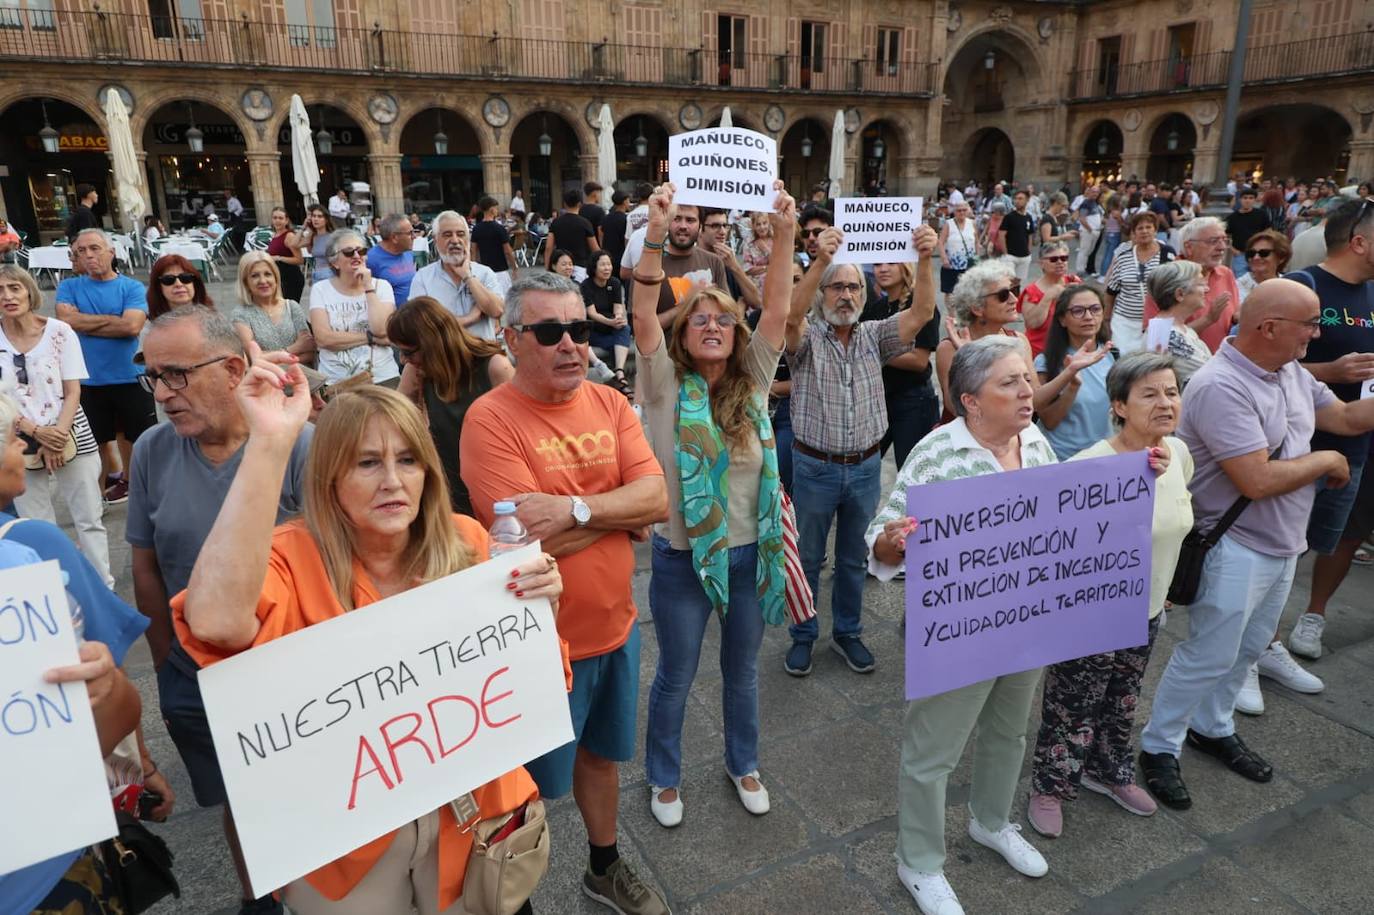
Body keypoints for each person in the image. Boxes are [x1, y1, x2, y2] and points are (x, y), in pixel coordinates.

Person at [174, 370, 560, 915]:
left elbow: (530, 686)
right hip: (349, 845)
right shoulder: (288, 559)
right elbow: (215, 621)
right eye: (367, 463)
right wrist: (269, 443)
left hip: (472, 822)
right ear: (330, 476)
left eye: (408, 460)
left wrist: (543, 611)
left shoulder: (469, 540)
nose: (393, 482)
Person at [460, 271, 671, 915]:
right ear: (511, 338)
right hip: (534, 649)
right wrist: (618, 515)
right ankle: (507, 895)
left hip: (615, 629)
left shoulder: (608, 403)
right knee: (518, 789)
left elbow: (658, 499)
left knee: (602, 760)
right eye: (549, 331)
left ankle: (604, 867)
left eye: (577, 329)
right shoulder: (490, 419)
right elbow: (522, 540)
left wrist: (577, 511)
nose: (570, 344)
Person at [1137, 279, 1374, 812]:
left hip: (1282, 542)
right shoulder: (1221, 386)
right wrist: (1327, 460)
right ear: (1269, 328)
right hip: (1234, 543)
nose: (1317, 333)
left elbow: (1343, 418)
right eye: (1310, 323)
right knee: (1209, 654)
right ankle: (1159, 745)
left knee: (1246, 651)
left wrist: (1331, 447)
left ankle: (1213, 727)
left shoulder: (1289, 371)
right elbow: (1257, 479)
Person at [130, 306, 314, 915]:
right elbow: (146, 566)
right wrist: (166, 662)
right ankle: (258, 897)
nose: (162, 394)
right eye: (152, 377)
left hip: (295, 668)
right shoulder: (151, 451)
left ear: (234, 370)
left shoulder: (298, 443)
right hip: (195, 676)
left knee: (316, 789)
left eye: (176, 375)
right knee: (241, 797)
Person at [868, 335, 1056, 915]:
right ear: (970, 401)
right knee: (934, 752)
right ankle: (919, 862)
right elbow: (881, 539)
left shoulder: (1034, 440)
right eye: (1010, 382)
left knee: (1010, 731)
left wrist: (1139, 470)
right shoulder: (936, 453)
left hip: (1025, 620)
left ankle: (991, 822)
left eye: (1026, 380)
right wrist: (894, 542)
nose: (1026, 392)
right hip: (960, 630)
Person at [632, 180, 797, 828]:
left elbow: (778, 309)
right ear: (684, 334)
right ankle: (664, 776)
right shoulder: (663, 383)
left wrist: (784, 233)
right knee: (676, 675)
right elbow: (643, 315)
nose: (710, 326)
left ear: (736, 332)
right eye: (699, 319)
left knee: (742, 672)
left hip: (749, 555)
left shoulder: (753, 381)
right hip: (683, 560)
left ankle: (743, 763)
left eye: (722, 319)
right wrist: (654, 233)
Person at [1027, 352, 1192, 837]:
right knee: (1072, 705)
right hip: (1091, 616)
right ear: (1119, 406)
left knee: (1123, 699)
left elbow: (1173, 524)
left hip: (1148, 611)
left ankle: (1107, 770)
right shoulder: (1088, 467)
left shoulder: (1178, 454)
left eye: (1172, 392)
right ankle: (1051, 785)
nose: (1165, 403)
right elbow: (1054, 546)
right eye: (1149, 394)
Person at [781, 215, 940, 677]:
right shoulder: (806, 339)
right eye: (836, 287)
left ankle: (847, 632)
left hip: (866, 468)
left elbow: (922, 313)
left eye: (853, 287)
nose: (846, 295)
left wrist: (925, 258)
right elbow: (790, 316)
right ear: (822, 295)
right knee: (808, 558)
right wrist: (821, 261)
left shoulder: (875, 335)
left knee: (854, 559)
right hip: (815, 467)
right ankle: (803, 635)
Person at [1269, 198, 1374, 666]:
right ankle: (1261, 644)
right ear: (1359, 242)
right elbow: (1254, 364)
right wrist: (1329, 370)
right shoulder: (1300, 286)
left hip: (1357, 443)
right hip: (1297, 443)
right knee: (1277, 549)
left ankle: (1310, 617)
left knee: (1339, 537)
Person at [0, 265, 110, 585]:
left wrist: (57, 435)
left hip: (70, 431)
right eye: (0, 290)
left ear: (29, 291)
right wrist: (37, 433)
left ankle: (102, 588)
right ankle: (54, 592)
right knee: (37, 525)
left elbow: (73, 389)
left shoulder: (60, 332)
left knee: (89, 519)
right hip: (18, 438)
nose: (7, 296)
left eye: (14, 288)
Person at [388, 295, 513, 515]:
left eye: (407, 352)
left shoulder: (494, 367)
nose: (403, 360)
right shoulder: (416, 371)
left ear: (432, 342)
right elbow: (393, 418)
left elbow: (520, 431)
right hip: (448, 484)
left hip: (494, 482)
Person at [55, 229, 154, 505]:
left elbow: (132, 326)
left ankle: (135, 486)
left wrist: (84, 322)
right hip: (87, 380)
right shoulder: (69, 287)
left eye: (95, 248)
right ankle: (95, 499)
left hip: (130, 376)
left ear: (111, 252)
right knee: (93, 444)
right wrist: (113, 319)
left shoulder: (132, 287)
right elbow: (66, 321)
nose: (88, 255)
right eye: (81, 251)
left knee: (138, 439)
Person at [936, 260, 1037, 420]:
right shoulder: (950, 348)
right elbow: (956, 408)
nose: (1014, 299)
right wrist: (969, 357)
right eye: (1003, 295)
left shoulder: (1019, 340)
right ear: (977, 308)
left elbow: (1035, 396)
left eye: (1015, 291)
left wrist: (1069, 374)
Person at [866, 259, 940, 468]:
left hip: (914, 401)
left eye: (891, 262)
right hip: (879, 401)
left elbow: (919, 361)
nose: (883, 268)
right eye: (877, 264)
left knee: (914, 473)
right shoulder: (876, 308)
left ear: (905, 266)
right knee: (863, 467)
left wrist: (871, 351)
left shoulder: (920, 305)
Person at [1033, 285, 1116, 460]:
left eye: (1095, 309)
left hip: (1103, 455)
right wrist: (1072, 386)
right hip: (1064, 458)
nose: (1088, 316)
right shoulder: (1047, 361)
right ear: (1062, 319)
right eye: (1078, 311)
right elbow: (1049, 421)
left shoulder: (1112, 355)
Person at [308, 229, 399, 387]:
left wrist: (368, 286)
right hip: (337, 382)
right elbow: (323, 339)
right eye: (349, 252)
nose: (357, 256)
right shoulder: (320, 289)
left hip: (382, 377)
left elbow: (382, 330)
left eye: (361, 251)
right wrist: (371, 338)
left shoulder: (382, 286)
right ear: (334, 262)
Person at [1143, 217, 1238, 354]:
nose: (1222, 247)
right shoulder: (1166, 278)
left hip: (1222, 362)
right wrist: (1208, 320)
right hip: (1182, 365)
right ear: (1189, 247)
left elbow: (1234, 315)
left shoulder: (1226, 273)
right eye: (1213, 241)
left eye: (1225, 240)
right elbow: (1157, 341)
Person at [409, 210, 506, 340]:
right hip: (442, 352)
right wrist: (471, 318)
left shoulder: (485, 273)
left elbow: (497, 311)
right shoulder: (423, 278)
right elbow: (422, 325)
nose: (455, 240)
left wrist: (467, 276)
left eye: (460, 234)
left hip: (482, 351)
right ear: (436, 240)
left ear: (468, 238)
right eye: (447, 235)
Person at [1104, 212, 1177, 354]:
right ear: (1134, 232)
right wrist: (1106, 320)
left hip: (1157, 321)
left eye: (1148, 227)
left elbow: (1175, 287)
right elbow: (1110, 292)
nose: (1144, 231)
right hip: (1125, 323)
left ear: (1155, 230)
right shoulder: (1123, 257)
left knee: (1154, 360)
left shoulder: (1167, 254)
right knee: (1124, 360)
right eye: (1140, 228)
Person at [231, 251, 316, 363]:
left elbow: (310, 352)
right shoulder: (241, 314)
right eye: (255, 276)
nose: (263, 281)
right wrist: (294, 348)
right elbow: (253, 358)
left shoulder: (292, 307)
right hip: (265, 375)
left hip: (302, 373)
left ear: (276, 278)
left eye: (268, 274)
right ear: (245, 282)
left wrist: (270, 358)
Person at [1146, 260, 1212, 387]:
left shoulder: (1181, 329)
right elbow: (1211, 374)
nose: (1207, 289)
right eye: (1200, 284)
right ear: (1180, 294)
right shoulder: (1164, 333)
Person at [1018, 242, 1081, 356]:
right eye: (1053, 259)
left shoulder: (1074, 281)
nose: (1060, 262)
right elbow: (1032, 324)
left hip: (1069, 350)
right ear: (1041, 263)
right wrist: (1048, 297)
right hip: (1040, 352)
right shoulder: (1032, 292)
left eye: (1064, 258)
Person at [700, 207, 761, 311]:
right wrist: (738, 309)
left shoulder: (728, 261)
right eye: (715, 226)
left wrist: (734, 266)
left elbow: (756, 302)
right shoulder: (693, 261)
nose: (723, 231)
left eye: (725, 225)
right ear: (700, 229)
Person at [583, 250, 631, 383]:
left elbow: (618, 307)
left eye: (609, 264)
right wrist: (610, 322)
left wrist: (618, 318)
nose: (607, 268)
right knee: (618, 345)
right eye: (603, 265)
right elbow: (592, 313)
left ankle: (619, 372)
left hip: (610, 328)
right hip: (594, 330)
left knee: (625, 329)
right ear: (594, 267)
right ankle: (619, 379)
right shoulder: (586, 286)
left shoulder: (614, 283)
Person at [365, 213, 417, 304]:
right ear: (394, 237)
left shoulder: (408, 252)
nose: (414, 237)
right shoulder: (370, 260)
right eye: (410, 233)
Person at [147, 253, 214, 320]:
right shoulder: (153, 325)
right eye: (168, 279)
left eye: (185, 277)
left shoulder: (213, 320)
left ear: (195, 284)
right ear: (158, 287)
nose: (178, 284)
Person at [546, 188, 599, 270]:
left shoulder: (556, 222)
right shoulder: (585, 223)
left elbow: (549, 247)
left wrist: (547, 267)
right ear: (580, 204)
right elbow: (594, 248)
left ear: (564, 204)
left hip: (561, 264)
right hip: (580, 266)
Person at [1226, 188, 1273, 277]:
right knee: (1240, 281)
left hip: (1258, 254)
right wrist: (1233, 250)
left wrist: (1264, 248)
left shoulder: (1261, 214)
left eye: (1251, 198)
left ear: (1255, 200)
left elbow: (1268, 232)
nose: (1247, 200)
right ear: (1240, 199)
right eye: (1245, 198)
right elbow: (1225, 236)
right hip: (1240, 255)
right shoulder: (1232, 218)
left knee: (1259, 278)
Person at [1237, 228, 1292, 302]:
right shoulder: (1236, 287)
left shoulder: (1289, 287)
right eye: (1251, 253)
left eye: (1264, 253)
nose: (1256, 257)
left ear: (1281, 258)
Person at [938, 200, 979, 299]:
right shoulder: (949, 224)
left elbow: (976, 242)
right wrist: (944, 258)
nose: (962, 212)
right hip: (951, 264)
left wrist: (978, 258)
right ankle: (951, 310)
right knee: (950, 291)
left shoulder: (972, 223)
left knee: (969, 291)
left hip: (969, 264)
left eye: (964, 210)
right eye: (959, 210)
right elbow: (940, 242)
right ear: (954, 211)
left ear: (968, 210)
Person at [266, 206, 306, 302]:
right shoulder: (275, 235)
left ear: (286, 220)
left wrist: (279, 258)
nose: (277, 221)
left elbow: (300, 260)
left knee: (289, 308)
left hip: (291, 279)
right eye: (275, 218)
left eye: (280, 218)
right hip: (280, 278)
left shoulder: (289, 236)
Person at [471, 194, 518, 274]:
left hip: (485, 270)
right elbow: (507, 250)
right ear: (492, 209)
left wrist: (474, 269)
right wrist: (514, 266)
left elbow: (473, 251)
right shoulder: (499, 228)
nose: (497, 211)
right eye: (496, 208)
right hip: (500, 269)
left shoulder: (476, 229)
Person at [999, 190, 1037, 284]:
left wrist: (1029, 251)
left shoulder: (1028, 217)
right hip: (1011, 256)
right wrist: (1005, 253)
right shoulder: (1009, 217)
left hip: (1024, 256)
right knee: (1008, 282)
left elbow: (1030, 235)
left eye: (1020, 199)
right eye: (1015, 199)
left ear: (1027, 200)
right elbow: (1001, 235)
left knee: (1018, 282)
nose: (1017, 201)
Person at [301, 204, 337, 285]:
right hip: (315, 273)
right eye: (314, 216)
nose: (316, 219)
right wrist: (304, 227)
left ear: (326, 220)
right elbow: (295, 244)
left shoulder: (332, 237)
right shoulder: (313, 236)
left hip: (329, 274)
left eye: (320, 216)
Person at [1074, 184, 1104, 277]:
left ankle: (1083, 269)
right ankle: (1080, 271)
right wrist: (1091, 230)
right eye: (1093, 191)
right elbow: (1082, 218)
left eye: (1097, 192)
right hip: (1088, 231)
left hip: (1094, 231)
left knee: (1088, 251)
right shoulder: (1086, 203)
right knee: (1084, 251)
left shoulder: (1094, 203)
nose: (1095, 194)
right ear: (1089, 192)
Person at [602, 190, 631, 272]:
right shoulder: (626, 219)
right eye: (628, 201)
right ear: (624, 202)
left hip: (608, 255)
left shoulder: (606, 218)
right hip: (622, 256)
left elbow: (602, 234)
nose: (629, 203)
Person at [743, 211, 773, 279]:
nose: (762, 227)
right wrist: (767, 268)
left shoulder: (775, 239)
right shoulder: (749, 242)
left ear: (769, 223)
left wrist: (765, 249)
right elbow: (747, 269)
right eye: (758, 224)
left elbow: (779, 264)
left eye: (764, 223)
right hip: (756, 281)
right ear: (753, 226)